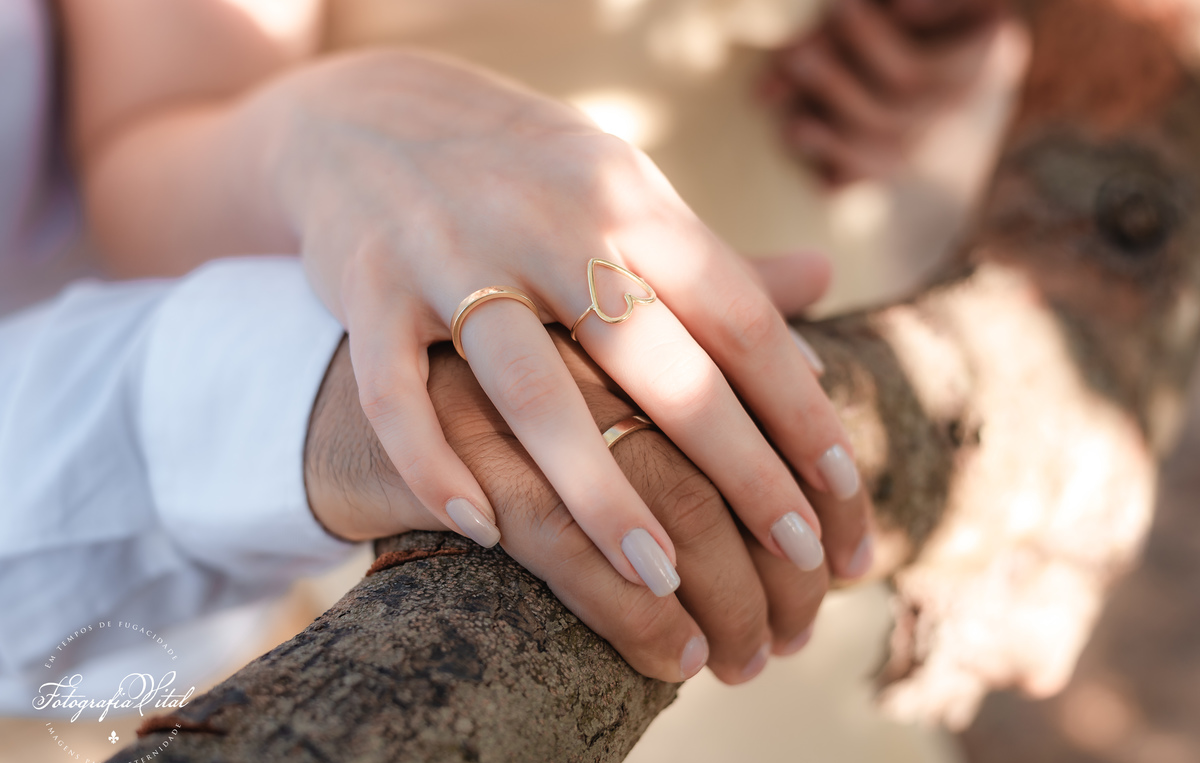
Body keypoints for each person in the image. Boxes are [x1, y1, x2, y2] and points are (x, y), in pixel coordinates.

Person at [0, 0, 1007, 706]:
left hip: (792, 259)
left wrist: (930, 41)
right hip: (457, 346)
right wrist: (326, 128)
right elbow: (163, 129)